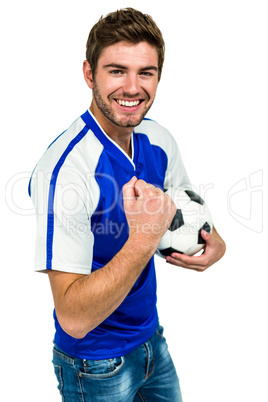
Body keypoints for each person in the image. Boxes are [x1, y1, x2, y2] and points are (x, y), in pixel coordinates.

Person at [29, 8, 226, 401]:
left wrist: (214, 241)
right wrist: (142, 239)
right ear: (89, 74)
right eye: (117, 71)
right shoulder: (66, 171)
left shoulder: (158, 139)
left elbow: (186, 204)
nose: (133, 88)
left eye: (146, 73)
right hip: (95, 364)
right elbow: (72, 318)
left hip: (152, 339)